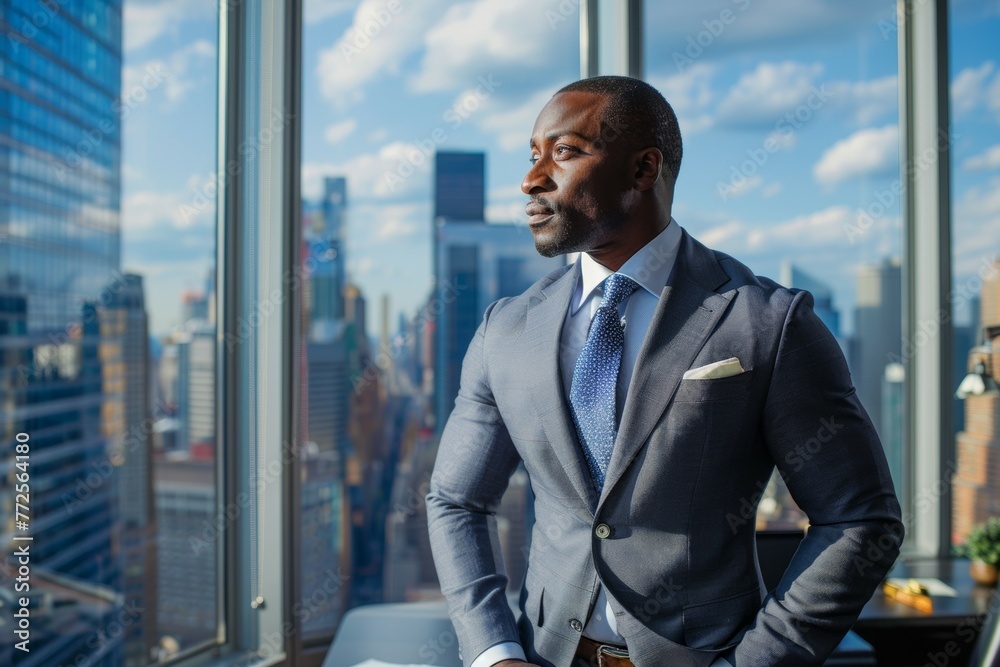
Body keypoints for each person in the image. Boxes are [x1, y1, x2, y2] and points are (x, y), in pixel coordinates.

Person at [425, 75, 903, 667]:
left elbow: (859, 517)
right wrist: (493, 652)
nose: (532, 178)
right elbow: (455, 501)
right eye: (533, 156)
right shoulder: (507, 329)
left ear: (643, 169)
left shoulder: (768, 321)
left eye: (565, 152)